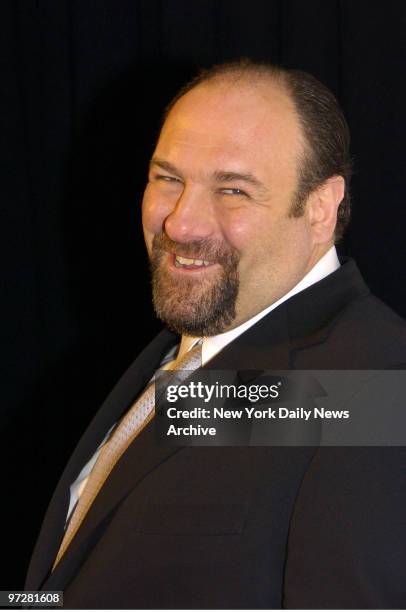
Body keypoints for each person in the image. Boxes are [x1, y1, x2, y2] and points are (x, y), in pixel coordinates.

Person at [26, 60, 406, 608]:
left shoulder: (375, 391)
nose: (180, 223)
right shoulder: (185, 352)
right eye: (168, 179)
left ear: (321, 208)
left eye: (232, 190)